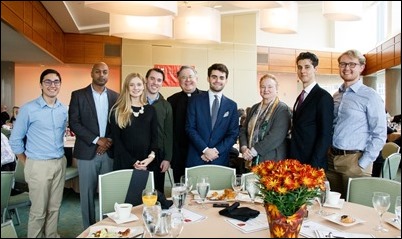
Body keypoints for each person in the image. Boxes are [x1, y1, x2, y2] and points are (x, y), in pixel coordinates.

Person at [9, 69, 68, 237]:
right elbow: (15, 140)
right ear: (41, 85)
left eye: (56, 81)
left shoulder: (63, 109)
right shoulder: (28, 109)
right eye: (48, 81)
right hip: (37, 164)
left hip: (59, 162)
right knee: (38, 211)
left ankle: (51, 235)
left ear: (60, 85)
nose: (52, 85)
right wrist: (27, 163)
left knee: (54, 208)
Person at [326, 49, 387, 198]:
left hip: (355, 161)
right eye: (343, 64)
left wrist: (364, 162)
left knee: (357, 209)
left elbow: (379, 134)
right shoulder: (336, 95)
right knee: (334, 207)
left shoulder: (370, 96)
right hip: (332, 159)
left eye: (352, 64)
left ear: (361, 67)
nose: (347, 68)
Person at [68, 62, 119, 229]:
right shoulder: (78, 95)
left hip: (109, 152)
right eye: (98, 71)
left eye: (105, 72)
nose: (101, 75)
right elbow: (74, 123)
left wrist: (107, 141)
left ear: (108, 74)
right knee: (87, 194)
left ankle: (109, 228)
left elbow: (119, 123)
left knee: (109, 193)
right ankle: (88, 229)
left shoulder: (116, 97)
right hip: (87, 152)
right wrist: (98, 140)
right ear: (91, 73)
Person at [186, 63, 239, 167]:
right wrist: (205, 150)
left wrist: (215, 151)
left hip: (220, 160)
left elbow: (233, 134)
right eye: (214, 77)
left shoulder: (231, 105)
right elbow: (190, 128)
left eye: (221, 78)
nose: (217, 80)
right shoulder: (194, 100)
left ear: (226, 81)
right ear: (208, 78)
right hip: (197, 158)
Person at [288, 52, 334, 170]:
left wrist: (314, 165)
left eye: (307, 67)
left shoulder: (323, 97)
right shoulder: (301, 97)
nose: (302, 71)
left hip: (312, 163)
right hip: (296, 160)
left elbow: (325, 135)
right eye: (299, 67)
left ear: (315, 69)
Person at [109, 73, 158, 173]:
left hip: (146, 162)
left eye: (139, 84)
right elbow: (117, 141)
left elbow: (155, 137)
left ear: (143, 87)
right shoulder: (117, 110)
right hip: (123, 162)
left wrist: (151, 157)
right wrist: (133, 161)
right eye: (132, 85)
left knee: (145, 189)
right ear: (127, 87)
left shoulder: (150, 110)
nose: (136, 88)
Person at [239, 74, 291, 165]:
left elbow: (275, 137)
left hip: (272, 161)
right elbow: (243, 130)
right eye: (263, 87)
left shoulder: (282, 109)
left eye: (270, 87)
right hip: (250, 158)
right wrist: (244, 148)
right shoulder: (254, 108)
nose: (266, 90)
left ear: (276, 89)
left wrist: (253, 151)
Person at [167, 66, 204, 182]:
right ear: (178, 81)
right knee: (181, 188)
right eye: (183, 77)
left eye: (190, 77)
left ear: (196, 78)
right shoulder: (171, 101)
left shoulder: (206, 98)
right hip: (179, 155)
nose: (187, 80)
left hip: (201, 153)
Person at [144, 68, 173, 193]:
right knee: (137, 191)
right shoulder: (135, 101)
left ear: (162, 83)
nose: (155, 82)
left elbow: (169, 133)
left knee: (157, 192)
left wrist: (167, 158)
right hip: (138, 153)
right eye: (152, 78)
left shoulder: (166, 105)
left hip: (158, 154)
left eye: (159, 80)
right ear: (146, 80)